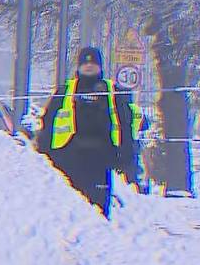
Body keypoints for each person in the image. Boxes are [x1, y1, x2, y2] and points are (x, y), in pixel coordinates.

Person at [37, 46, 134, 217]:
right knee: (69, 212)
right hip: (68, 159)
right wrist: (44, 153)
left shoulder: (112, 91)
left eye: (93, 63)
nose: (89, 66)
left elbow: (125, 124)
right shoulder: (65, 91)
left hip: (100, 160)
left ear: (100, 67)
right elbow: (48, 121)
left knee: (97, 212)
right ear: (78, 66)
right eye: (85, 63)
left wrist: (125, 156)